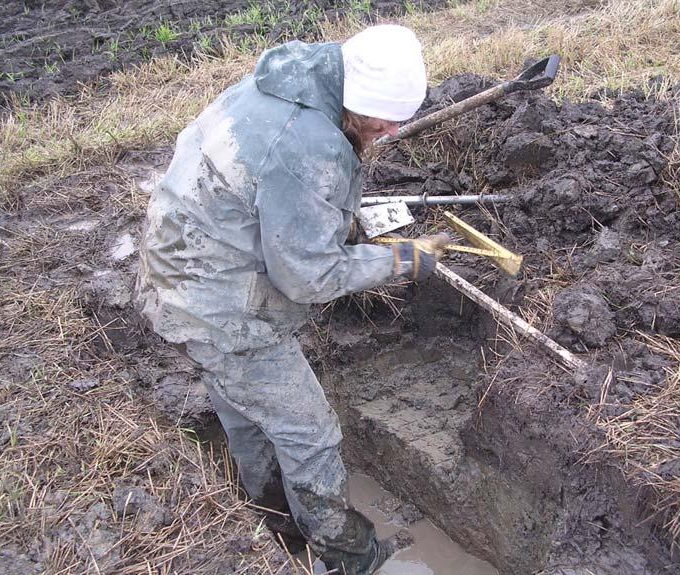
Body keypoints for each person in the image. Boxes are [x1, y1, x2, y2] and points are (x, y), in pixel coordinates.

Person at [134, 24, 447, 575]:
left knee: (244, 407)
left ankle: (272, 515)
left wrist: (337, 225)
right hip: (217, 304)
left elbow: (274, 203)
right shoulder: (308, 145)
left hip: (175, 266)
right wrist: (404, 259)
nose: (391, 132)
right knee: (311, 434)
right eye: (386, 122)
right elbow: (309, 278)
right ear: (361, 103)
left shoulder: (291, 82)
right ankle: (350, 556)